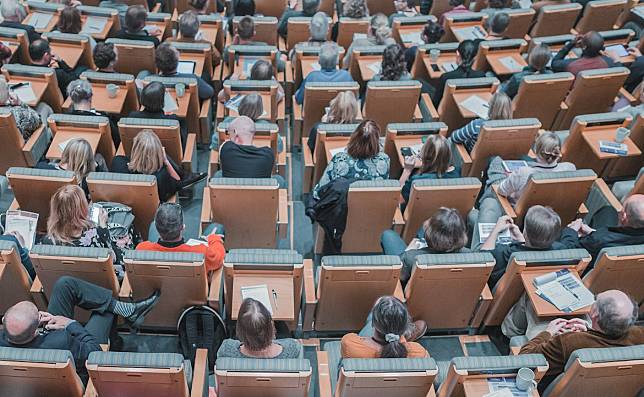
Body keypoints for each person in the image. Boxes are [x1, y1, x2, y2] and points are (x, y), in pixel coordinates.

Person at [0, 277, 160, 382]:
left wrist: (42, 325)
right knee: (104, 311)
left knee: (65, 285)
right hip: (69, 370)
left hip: (38, 352)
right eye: (39, 315)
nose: (42, 313)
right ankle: (117, 343)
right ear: (35, 331)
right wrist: (70, 324)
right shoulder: (62, 341)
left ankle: (128, 311)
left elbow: (29, 339)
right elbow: (94, 352)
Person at [519, 290, 643, 387]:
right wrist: (589, 330)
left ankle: (506, 333)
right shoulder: (640, 334)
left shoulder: (568, 342)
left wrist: (548, 332)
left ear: (594, 313)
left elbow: (524, 359)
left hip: (549, 383)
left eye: (595, 300)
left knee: (529, 299)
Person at [480, 205, 575, 288]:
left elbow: (483, 259)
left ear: (524, 231)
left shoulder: (508, 254)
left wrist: (496, 230)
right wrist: (522, 241)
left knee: (489, 204)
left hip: (495, 288)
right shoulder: (562, 252)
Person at [40, 185, 125, 265]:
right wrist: (103, 227)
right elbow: (114, 259)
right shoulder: (95, 236)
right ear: (82, 208)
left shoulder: (47, 241)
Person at [381, 208, 469, 284]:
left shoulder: (411, 258)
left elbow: (400, 277)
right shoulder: (469, 256)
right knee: (421, 231)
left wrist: (409, 250)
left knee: (388, 235)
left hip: (411, 280)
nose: (426, 222)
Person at [137, 203, 225, 275]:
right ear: (183, 227)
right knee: (217, 227)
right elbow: (219, 257)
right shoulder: (202, 253)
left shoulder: (142, 250)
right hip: (193, 294)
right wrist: (214, 239)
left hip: (159, 293)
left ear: (157, 228)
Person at [492, 132, 576, 205]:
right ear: (558, 152)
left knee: (495, 160)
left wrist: (513, 178)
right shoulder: (570, 168)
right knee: (523, 157)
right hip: (552, 213)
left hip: (521, 212)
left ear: (535, 149)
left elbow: (501, 190)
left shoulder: (523, 173)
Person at [312, 120, 390, 199]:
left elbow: (318, 193)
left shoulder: (340, 159)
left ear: (354, 136)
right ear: (377, 141)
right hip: (371, 207)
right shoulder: (384, 160)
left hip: (341, 208)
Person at [561, 194, 644, 262]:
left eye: (622, 208)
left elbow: (569, 252)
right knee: (608, 211)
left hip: (592, 263)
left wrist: (571, 230)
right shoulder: (600, 237)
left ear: (624, 217)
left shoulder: (598, 239)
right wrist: (592, 232)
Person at [341, 296, 429, 358]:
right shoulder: (419, 352)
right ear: (405, 328)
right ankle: (405, 337)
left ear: (373, 324)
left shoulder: (350, 344)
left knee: (380, 302)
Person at [110, 129, 182, 202]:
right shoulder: (161, 176)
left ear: (135, 148)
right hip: (150, 212)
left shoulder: (117, 163)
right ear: (158, 152)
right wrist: (166, 161)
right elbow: (178, 183)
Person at [217, 298, 302, 358]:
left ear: (239, 329)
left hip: (240, 383)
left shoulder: (226, 349)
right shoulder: (293, 348)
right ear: (271, 327)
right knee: (282, 325)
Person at [399, 134, 461, 209]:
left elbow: (397, 199)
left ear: (425, 156)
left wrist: (407, 170)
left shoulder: (417, 181)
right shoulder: (458, 173)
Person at [38, 138, 108, 200]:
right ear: (87, 160)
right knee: (99, 157)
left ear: (65, 152)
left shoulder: (42, 168)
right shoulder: (86, 182)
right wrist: (95, 166)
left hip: (47, 201)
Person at [128, 81, 188, 147]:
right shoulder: (173, 120)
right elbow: (182, 141)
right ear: (163, 101)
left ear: (142, 99)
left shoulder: (132, 117)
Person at [65, 79, 121, 147]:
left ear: (71, 99)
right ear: (91, 96)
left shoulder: (64, 120)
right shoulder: (103, 120)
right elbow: (117, 140)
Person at [432, 40, 485, 106]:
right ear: (475, 57)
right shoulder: (481, 76)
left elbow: (435, 102)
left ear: (457, 54)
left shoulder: (446, 77)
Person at [551, 31, 620, 76]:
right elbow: (621, 72)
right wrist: (617, 60)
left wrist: (571, 43)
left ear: (583, 47)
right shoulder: (609, 62)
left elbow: (554, 63)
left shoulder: (570, 64)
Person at [217, 60, 286, 104]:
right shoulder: (274, 91)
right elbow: (282, 93)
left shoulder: (239, 86)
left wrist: (231, 83)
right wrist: (274, 81)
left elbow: (220, 97)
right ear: (270, 77)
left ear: (251, 72)